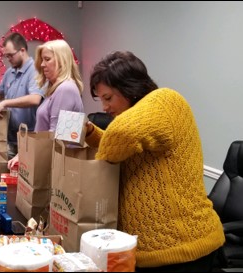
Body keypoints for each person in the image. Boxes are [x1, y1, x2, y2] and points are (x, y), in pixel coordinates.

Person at [85, 51, 224, 271]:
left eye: (108, 98)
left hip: (183, 251)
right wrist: (91, 133)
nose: (104, 107)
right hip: (152, 253)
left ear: (129, 88)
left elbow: (120, 136)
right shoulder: (142, 117)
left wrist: (99, 167)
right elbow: (126, 148)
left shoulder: (165, 101)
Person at [7, 39, 84, 168]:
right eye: (42, 60)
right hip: (49, 163)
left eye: (47, 59)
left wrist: (25, 155)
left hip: (55, 168)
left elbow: (55, 138)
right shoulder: (56, 88)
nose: (42, 65)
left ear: (62, 61)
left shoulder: (66, 89)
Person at [0, 32, 44, 159]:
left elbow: (35, 99)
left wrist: (5, 103)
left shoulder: (35, 70)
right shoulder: (10, 72)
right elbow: (0, 94)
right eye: (6, 56)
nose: (8, 59)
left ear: (22, 50)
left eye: (10, 55)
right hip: (10, 139)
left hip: (29, 139)